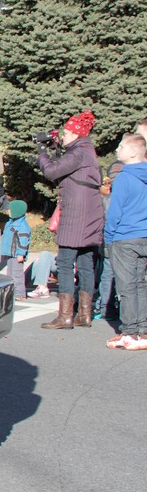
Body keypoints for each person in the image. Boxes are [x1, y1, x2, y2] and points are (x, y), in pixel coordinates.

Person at [37, 110, 103, 329]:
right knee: (85, 262)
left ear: (76, 133)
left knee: (64, 262)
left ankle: (65, 315)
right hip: (91, 214)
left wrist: (41, 153)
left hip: (76, 214)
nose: (63, 136)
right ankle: (84, 314)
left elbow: (53, 172)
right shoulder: (87, 151)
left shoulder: (78, 152)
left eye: (65, 132)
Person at [103, 133, 147, 349]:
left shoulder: (124, 178)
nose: (116, 150)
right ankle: (143, 331)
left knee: (127, 286)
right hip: (143, 235)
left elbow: (114, 213)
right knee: (140, 283)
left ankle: (129, 331)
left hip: (124, 237)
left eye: (121, 146)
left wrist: (108, 238)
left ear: (132, 152)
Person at [93, 160, 124, 321]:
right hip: (125, 243)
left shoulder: (106, 200)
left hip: (109, 245)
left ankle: (106, 308)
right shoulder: (130, 197)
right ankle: (123, 308)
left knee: (108, 276)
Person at [1, 200, 31, 301]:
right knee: (10, 275)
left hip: (17, 255)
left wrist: (21, 254)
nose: (8, 211)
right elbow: (6, 240)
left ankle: (20, 294)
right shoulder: (9, 223)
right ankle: (11, 292)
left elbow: (23, 241)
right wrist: (4, 253)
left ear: (16, 211)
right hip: (10, 254)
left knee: (17, 274)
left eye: (10, 210)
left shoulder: (22, 225)